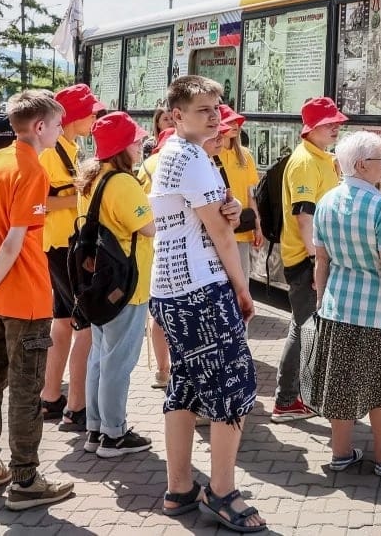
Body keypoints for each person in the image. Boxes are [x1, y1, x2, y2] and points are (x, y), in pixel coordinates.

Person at [148, 75, 263, 530]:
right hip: (201, 287)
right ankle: (222, 491)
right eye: (203, 110)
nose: (215, 117)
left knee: (185, 386)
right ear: (176, 116)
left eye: (217, 108)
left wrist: (229, 209)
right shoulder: (192, 156)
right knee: (230, 390)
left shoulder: (173, 155)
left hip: (172, 288)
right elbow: (218, 233)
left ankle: (179, 489)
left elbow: (210, 216)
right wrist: (242, 287)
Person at [0, 89, 75, 510]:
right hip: (23, 298)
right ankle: (25, 479)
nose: (61, 132)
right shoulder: (32, 170)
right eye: (58, 125)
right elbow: (14, 240)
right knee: (26, 391)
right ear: (40, 127)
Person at [307, 132, 381, 476]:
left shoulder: (326, 202)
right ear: (363, 165)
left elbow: (321, 261)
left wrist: (321, 298)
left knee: (340, 383)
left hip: (337, 306)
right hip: (376, 311)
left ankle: (340, 453)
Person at [75, 112, 156, 458]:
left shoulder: (92, 177)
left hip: (99, 282)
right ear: (123, 146)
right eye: (136, 141)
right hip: (127, 284)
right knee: (118, 363)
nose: (141, 146)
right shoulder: (124, 183)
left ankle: (95, 429)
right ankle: (114, 433)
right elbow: (148, 228)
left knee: (100, 357)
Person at [273, 96, 348, 423]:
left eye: (336, 123)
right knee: (304, 326)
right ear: (312, 128)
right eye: (329, 124)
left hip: (315, 257)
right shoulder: (305, 162)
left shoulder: (322, 158)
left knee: (304, 325)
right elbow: (304, 216)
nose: (336, 128)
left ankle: (297, 394)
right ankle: (286, 400)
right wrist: (317, 258)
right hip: (307, 260)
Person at [39, 83, 102, 430]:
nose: (95, 117)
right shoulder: (52, 153)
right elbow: (41, 203)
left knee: (63, 322)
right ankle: (76, 406)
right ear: (74, 116)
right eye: (90, 112)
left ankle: (51, 397)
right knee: (86, 325)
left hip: (63, 245)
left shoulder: (69, 149)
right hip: (63, 247)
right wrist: (85, 194)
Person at [137, 125, 176, 390]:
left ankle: (163, 371)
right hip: (173, 244)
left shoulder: (147, 166)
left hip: (149, 242)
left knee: (157, 312)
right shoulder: (181, 163)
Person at [216, 104, 261, 285]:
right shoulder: (211, 154)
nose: (235, 125)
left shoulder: (246, 156)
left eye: (237, 122)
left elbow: (252, 195)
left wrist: (258, 225)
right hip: (220, 229)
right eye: (229, 121)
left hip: (242, 229)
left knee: (242, 284)